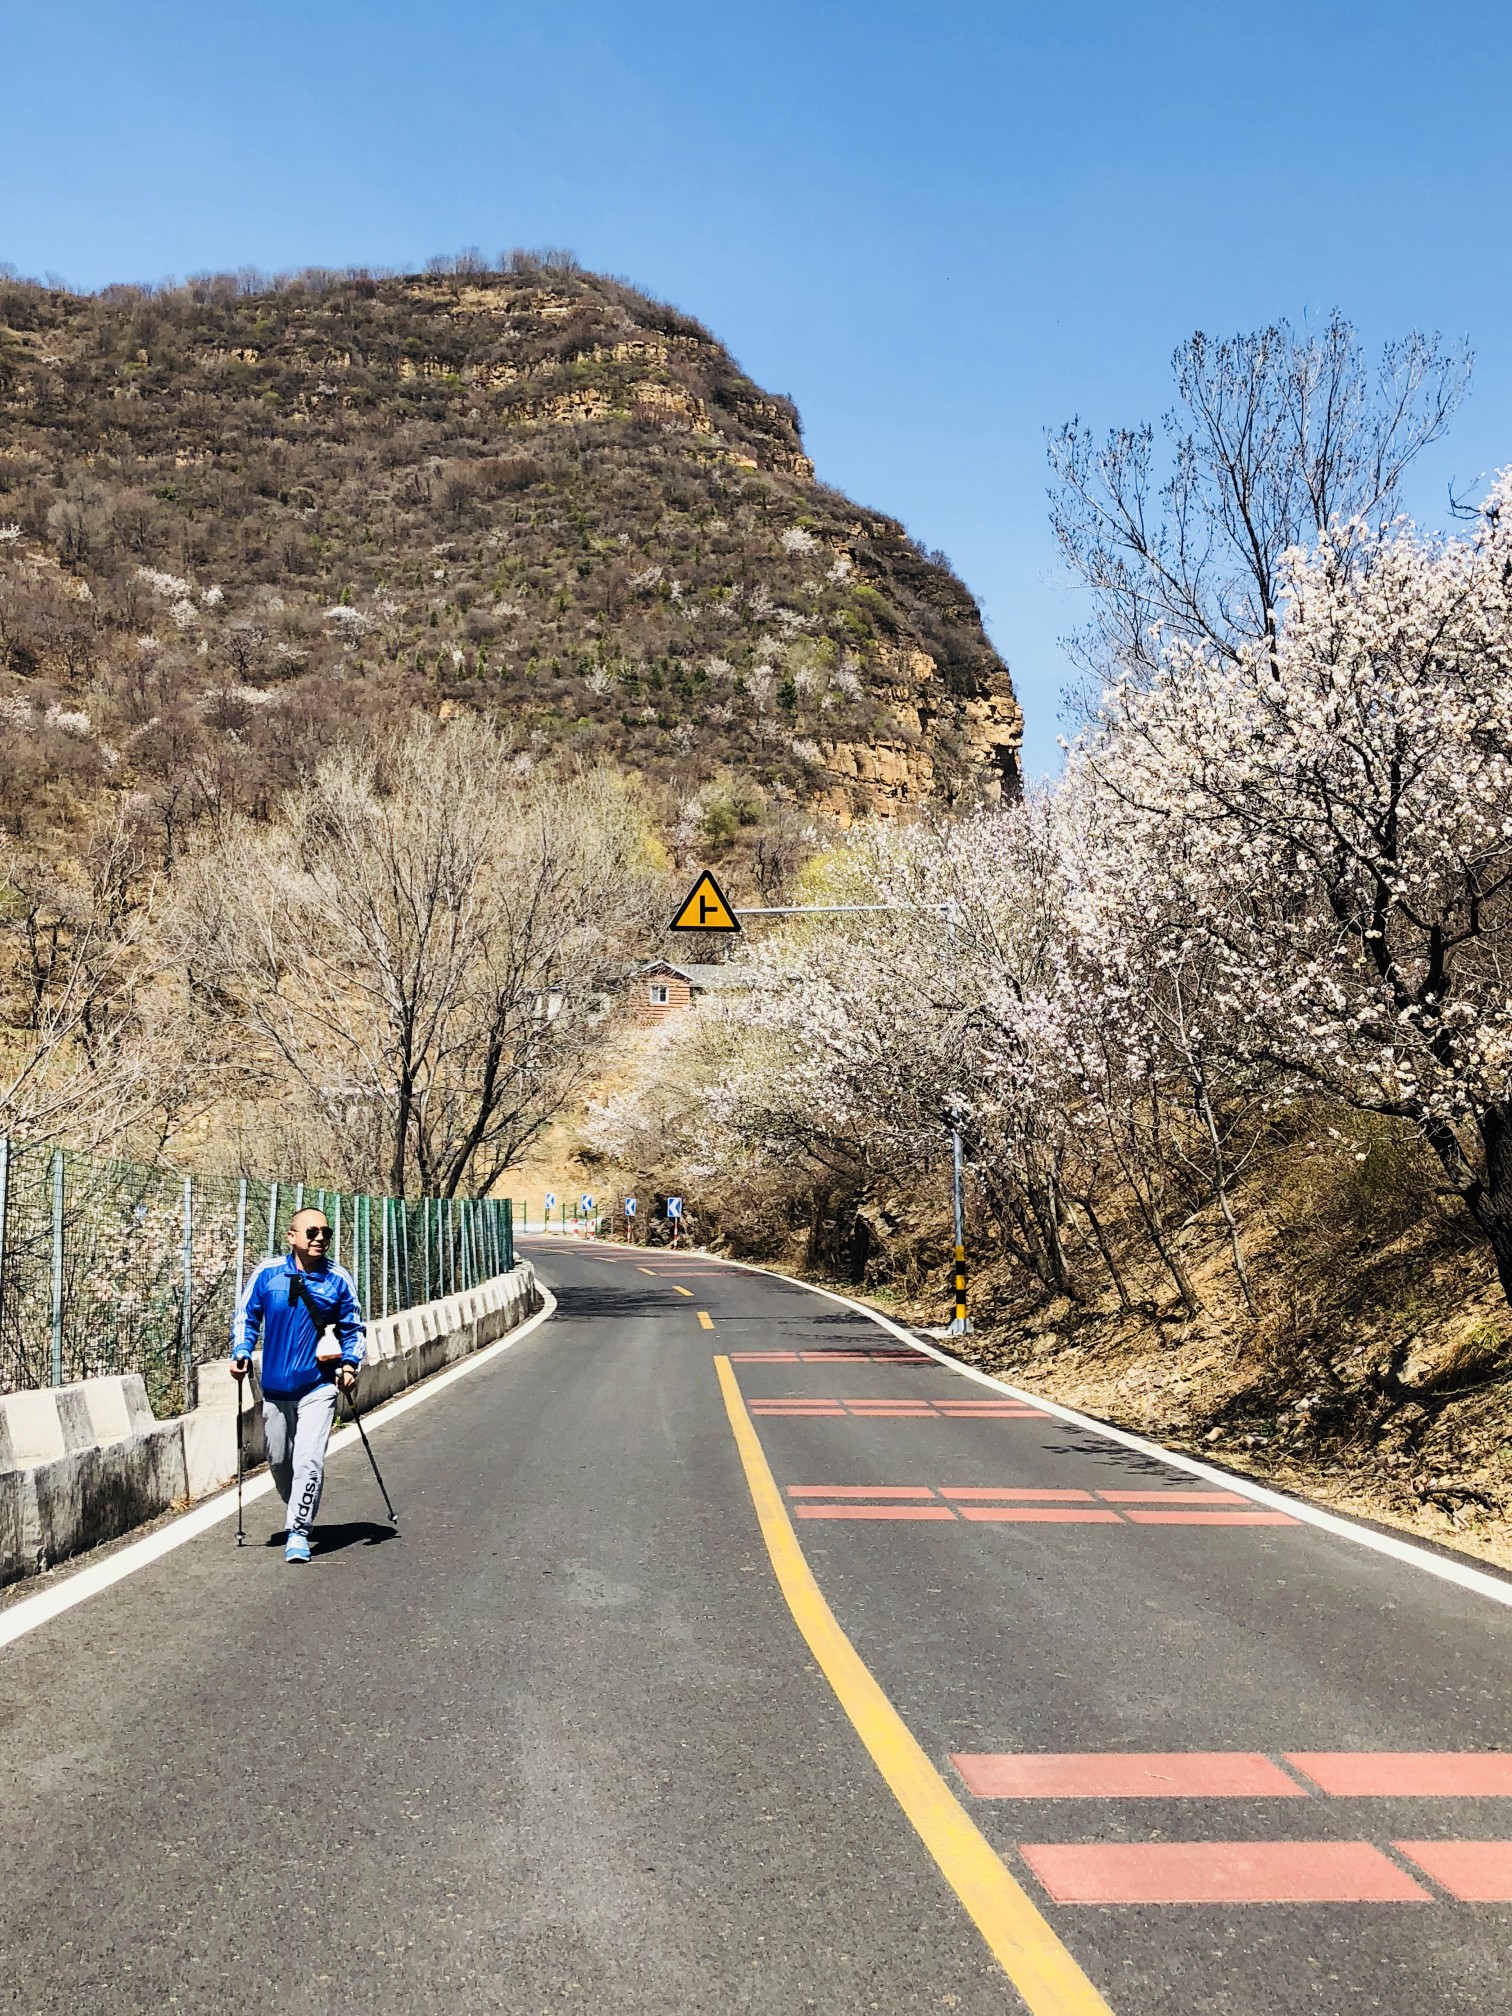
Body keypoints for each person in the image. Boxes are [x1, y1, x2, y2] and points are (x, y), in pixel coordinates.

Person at [231, 1206, 366, 1563]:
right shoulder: (267, 1274)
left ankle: (299, 1531)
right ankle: (298, 1506)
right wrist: (242, 1350)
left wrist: (350, 1364)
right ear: (292, 1237)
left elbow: (354, 1327)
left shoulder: (338, 1278)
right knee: (278, 1460)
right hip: (274, 1387)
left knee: (308, 1460)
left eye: (326, 1232)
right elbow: (246, 1316)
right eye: (312, 1232)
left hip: (317, 1385)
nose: (320, 1238)